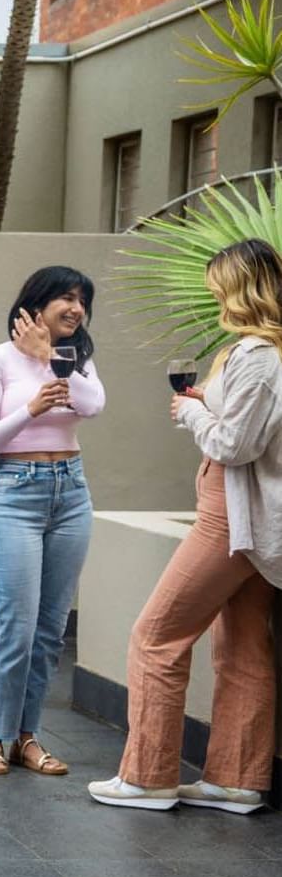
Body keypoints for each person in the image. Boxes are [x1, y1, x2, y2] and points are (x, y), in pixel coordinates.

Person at [90, 238, 282, 812]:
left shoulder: (260, 358)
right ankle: (236, 780)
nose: (214, 297)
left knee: (155, 637)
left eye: (219, 287)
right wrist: (207, 403)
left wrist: (194, 412)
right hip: (246, 519)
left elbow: (234, 444)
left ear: (241, 288)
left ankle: (148, 778)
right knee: (243, 645)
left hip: (230, 519)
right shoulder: (258, 354)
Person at [0, 266, 106, 776]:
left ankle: (26, 736)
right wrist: (29, 408)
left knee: (49, 630)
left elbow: (94, 405)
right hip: (14, 493)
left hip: (70, 493)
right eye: (66, 298)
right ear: (37, 303)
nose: (76, 309)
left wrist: (49, 360)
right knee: (16, 625)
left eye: (83, 301)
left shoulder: (74, 358)